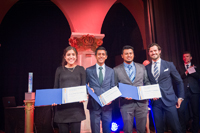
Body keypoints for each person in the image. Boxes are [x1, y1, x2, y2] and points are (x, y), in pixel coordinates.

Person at [145, 43, 184, 133]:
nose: (153, 53)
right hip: (155, 103)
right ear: (149, 53)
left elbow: (179, 81)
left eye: (155, 50)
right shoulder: (146, 68)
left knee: (176, 128)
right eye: (151, 51)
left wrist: (180, 97)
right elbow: (146, 83)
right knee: (159, 129)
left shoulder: (169, 65)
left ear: (159, 51)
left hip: (170, 101)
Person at [114, 45, 150, 133]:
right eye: (126, 54)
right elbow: (114, 87)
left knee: (142, 130)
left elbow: (147, 82)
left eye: (130, 53)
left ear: (133, 54)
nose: (129, 55)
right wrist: (123, 95)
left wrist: (147, 92)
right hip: (126, 104)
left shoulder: (142, 67)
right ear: (122, 55)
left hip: (141, 103)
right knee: (127, 130)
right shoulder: (116, 69)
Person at [53, 46, 86, 133]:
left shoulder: (81, 69)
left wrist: (84, 95)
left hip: (76, 109)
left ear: (76, 56)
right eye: (68, 55)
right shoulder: (59, 70)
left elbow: (83, 87)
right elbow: (56, 87)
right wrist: (54, 99)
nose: (71, 57)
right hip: (62, 110)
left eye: (73, 54)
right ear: (64, 56)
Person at [86, 46, 115, 133]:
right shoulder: (88, 70)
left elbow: (113, 86)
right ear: (95, 56)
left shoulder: (111, 71)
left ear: (106, 56)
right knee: (95, 130)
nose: (101, 56)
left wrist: (111, 99)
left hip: (107, 105)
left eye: (103, 54)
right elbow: (83, 85)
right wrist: (88, 90)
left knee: (107, 130)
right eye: (99, 54)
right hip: (94, 105)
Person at [177, 51, 200, 133]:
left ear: (191, 58)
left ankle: (195, 130)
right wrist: (186, 72)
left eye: (187, 56)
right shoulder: (179, 67)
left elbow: (198, 77)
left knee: (196, 112)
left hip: (194, 92)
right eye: (184, 56)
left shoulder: (196, 66)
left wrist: (191, 70)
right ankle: (182, 130)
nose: (186, 58)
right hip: (183, 92)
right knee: (181, 111)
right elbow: (178, 78)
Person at [143, 60, 151, 133]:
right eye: (144, 65)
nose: (146, 66)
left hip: (152, 95)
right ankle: (147, 130)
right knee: (146, 114)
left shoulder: (152, 72)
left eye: (147, 65)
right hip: (145, 95)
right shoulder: (141, 73)